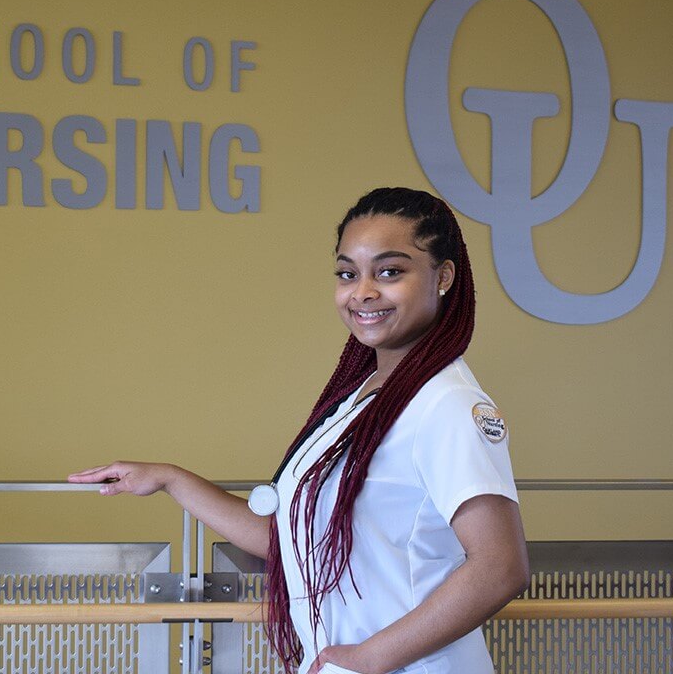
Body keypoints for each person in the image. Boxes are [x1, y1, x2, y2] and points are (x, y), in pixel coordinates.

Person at [70, 187, 528, 674]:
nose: (363, 291)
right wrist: (171, 479)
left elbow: (501, 567)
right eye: (348, 273)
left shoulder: (448, 405)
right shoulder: (361, 398)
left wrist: (369, 658)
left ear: (444, 277)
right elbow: (290, 538)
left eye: (390, 271)